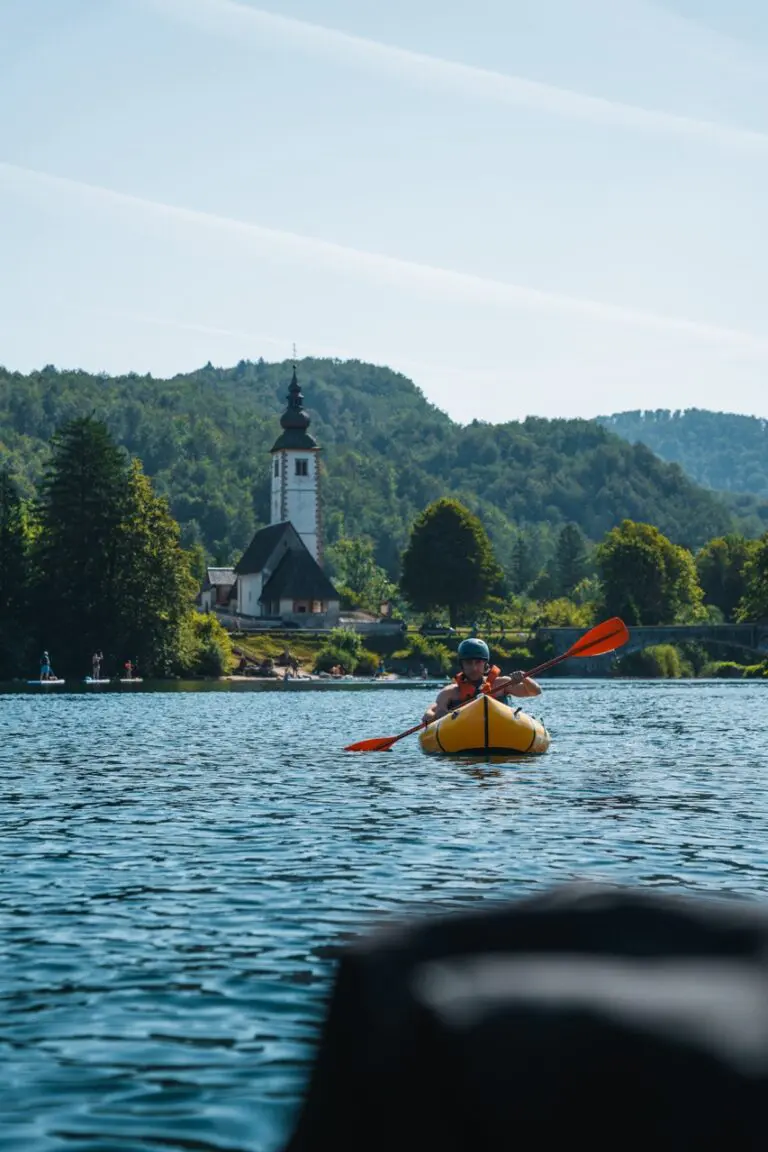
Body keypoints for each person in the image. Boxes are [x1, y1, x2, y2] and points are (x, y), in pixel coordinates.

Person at [422, 637, 541, 725]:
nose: (473, 668)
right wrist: (430, 714)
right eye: (469, 663)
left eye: (478, 662)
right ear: (462, 665)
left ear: (485, 665)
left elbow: (535, 691)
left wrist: (525, 679)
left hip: (501, 727)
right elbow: (439, 711)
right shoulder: (449, 692)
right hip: (463, 730)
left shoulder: (502, 683)